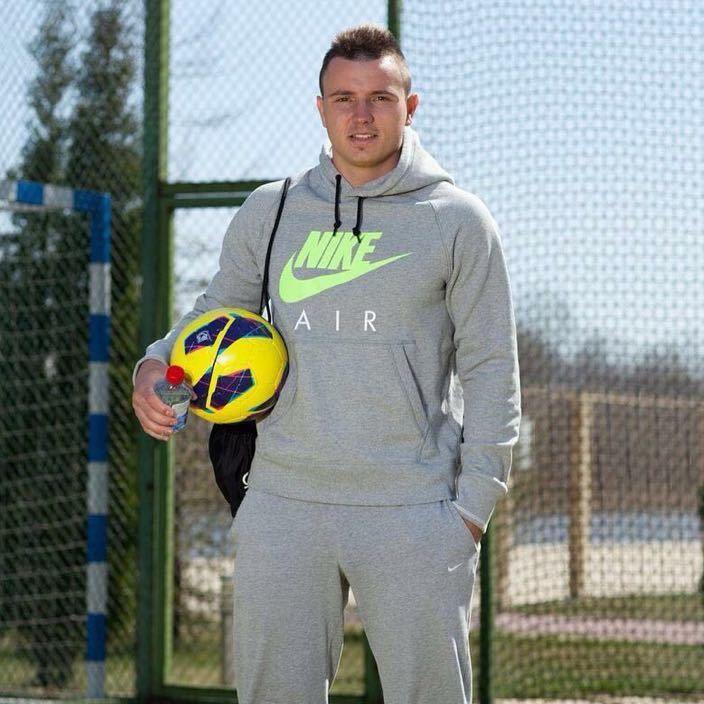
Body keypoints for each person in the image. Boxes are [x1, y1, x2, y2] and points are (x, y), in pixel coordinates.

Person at [132, 23, 520, 704]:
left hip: (413, 509)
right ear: (320, 108)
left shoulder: (458, 221)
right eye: (344, 98)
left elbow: (492, 368)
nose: (361, 115)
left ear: (410, 106)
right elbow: (216, 313)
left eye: (380, 98)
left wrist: (471, 511)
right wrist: (155, 366)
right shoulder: (272, 210)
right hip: (282, 504)